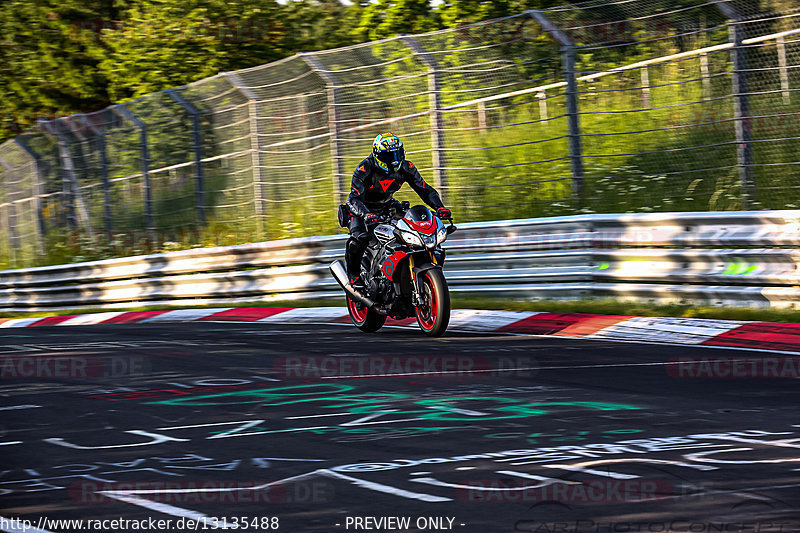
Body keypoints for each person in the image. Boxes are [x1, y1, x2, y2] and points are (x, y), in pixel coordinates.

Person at [345, 132, 451, 287]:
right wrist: (366, 214)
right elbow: (353, 198)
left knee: (409, 229)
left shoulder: (406, 167)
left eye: (397, 154)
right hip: (360, 209)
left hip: (388, 206)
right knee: (360, 237)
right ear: (377, 155)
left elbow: (425, 189)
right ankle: (353, 275)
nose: (394, 160)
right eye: (389, 156)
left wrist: (439, 207)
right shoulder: (364, 168)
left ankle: (401, 274)